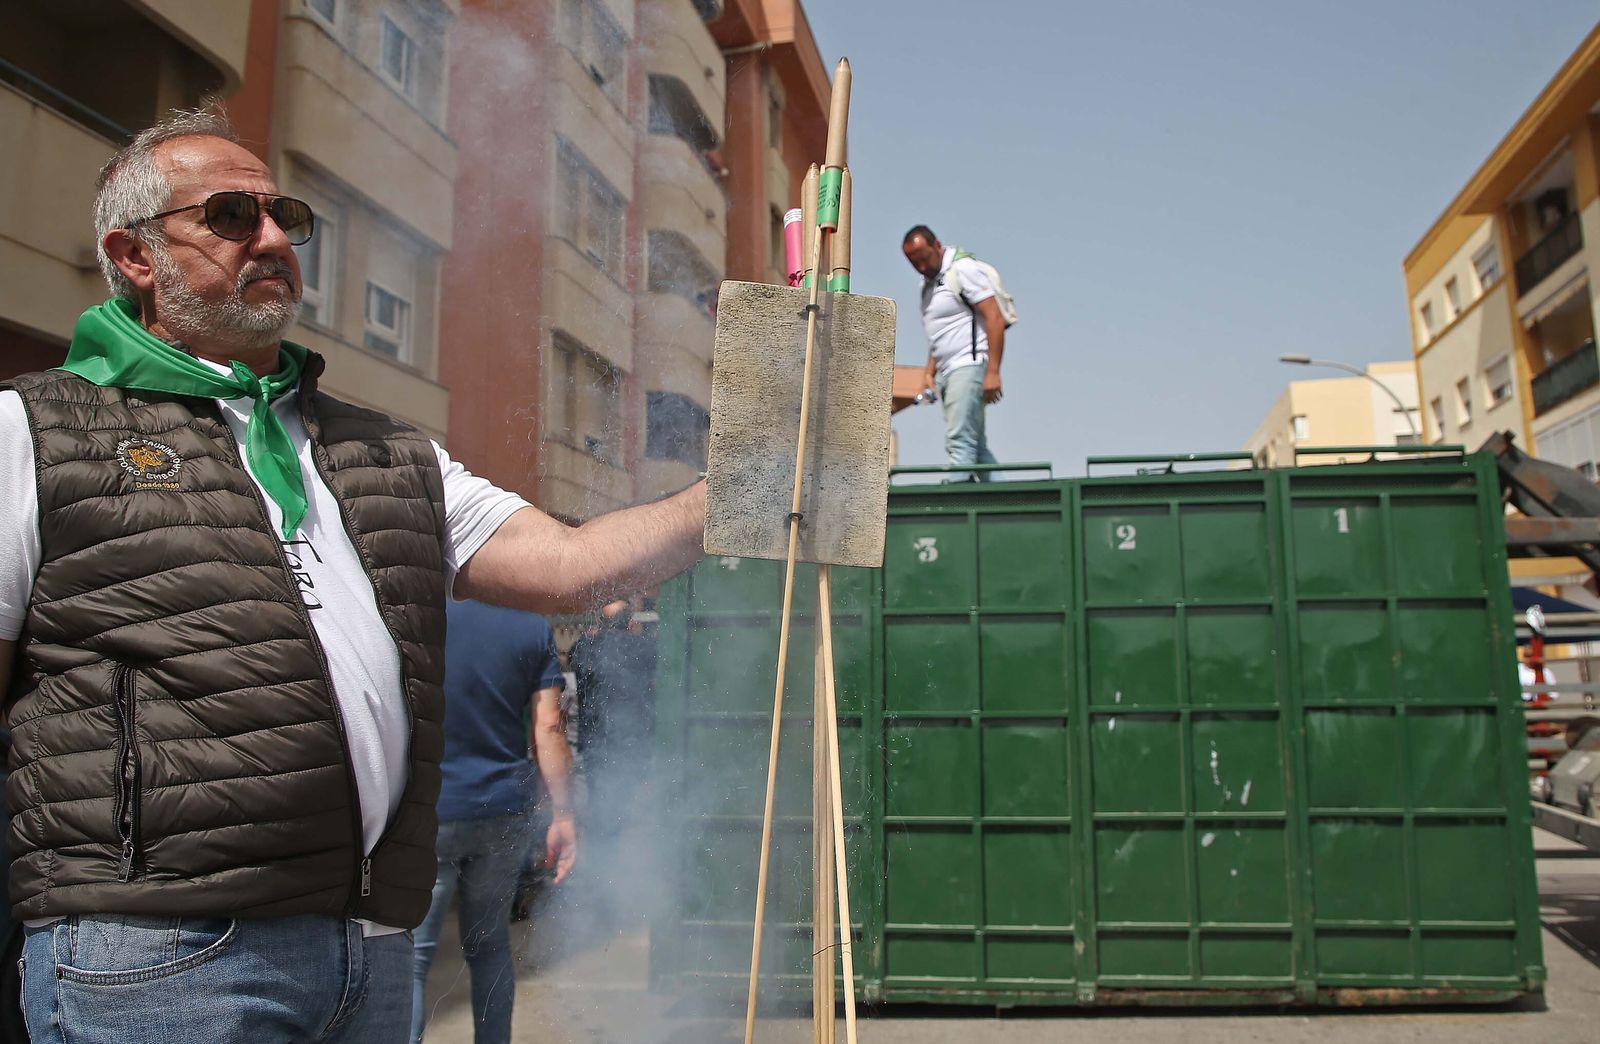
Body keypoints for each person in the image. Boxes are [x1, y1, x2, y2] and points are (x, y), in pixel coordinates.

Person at [0, 108, 704, 1044]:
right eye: (230, 217)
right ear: (135, 256)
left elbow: (573, 568)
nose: (274, 238)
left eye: (283, 215)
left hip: (367, 945)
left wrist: (747, 485)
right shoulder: (36, 432)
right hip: (157, 948)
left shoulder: (382, 448)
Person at [410, 600, 572, 1044]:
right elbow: (550, 727)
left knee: (412, 957)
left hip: (431, 810)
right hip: (503, 809)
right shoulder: (529, 625)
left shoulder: (419, 613)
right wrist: (563, 814)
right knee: (489, 947)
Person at [902, 224, 1006, 481]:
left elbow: (994, 317)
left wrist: (993, 371)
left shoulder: (962, 270)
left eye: (924, 258)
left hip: (968, 366)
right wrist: (929, 372)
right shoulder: (927, 284)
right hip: (949, 371)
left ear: (937, 245)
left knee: (960, 441)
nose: (922, 267)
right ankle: (1013, 510)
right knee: (977, 448)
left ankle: (954, 506)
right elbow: (941, 332)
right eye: (914, 263)